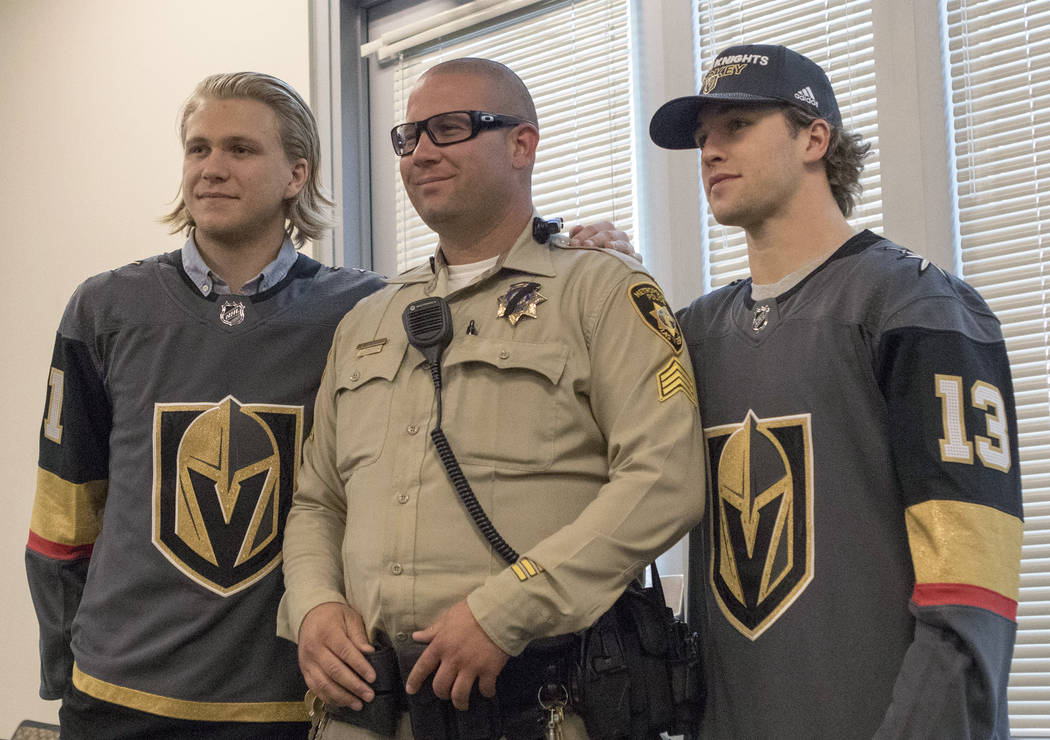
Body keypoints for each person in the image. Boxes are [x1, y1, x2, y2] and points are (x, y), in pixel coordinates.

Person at [24, 69, 630, 739]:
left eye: (240, 149)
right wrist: (65, 661)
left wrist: (581, 250)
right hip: (119, 695)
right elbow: (64, 509)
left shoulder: (367, 312)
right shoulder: (106, 308)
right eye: (198, 149)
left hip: (295, 698)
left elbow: (497, 302)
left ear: (296, 175)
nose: (212, 169)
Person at [277, 57, 705, 739]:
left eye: (448, 128)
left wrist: (508, 610)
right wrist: (313, 606)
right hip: (369, 713)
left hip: (539, 704)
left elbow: (665, 480)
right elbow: (317, 500)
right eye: (408, 136)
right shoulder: (369, 319)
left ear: (521, 143)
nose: (420, 151)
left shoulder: (600, 290)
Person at [647, 44, 1024, 737]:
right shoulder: (693, 331)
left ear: (814, 137)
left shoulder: (916, 303)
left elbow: (971, 586)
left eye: (736, 126)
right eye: (703, 138)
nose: (709, 151)